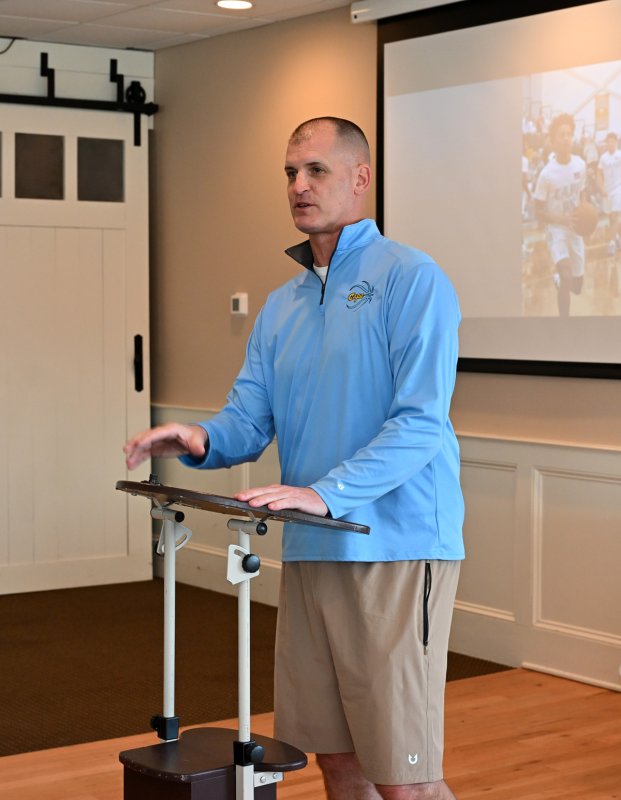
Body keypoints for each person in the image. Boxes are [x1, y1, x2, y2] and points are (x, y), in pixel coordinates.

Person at [124, 117, 464, 800]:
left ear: (359, 178)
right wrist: (202, 439)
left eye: (315, 170)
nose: (298, 186)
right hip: (313, 550)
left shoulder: (410, 279)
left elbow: (420, 422)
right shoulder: (280, 306)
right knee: (334, 760)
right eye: (289, 173)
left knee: (404, 779)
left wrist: (324, 492)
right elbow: (249, 419)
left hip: (392, 547)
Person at [533, 113, 587, 317]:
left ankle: (559, 281)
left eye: (569, 134)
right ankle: (564, 325)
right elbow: (538, 210)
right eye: (562, 134)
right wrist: (560, 220)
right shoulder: (546, 174)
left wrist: (584, 215)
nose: (566, 138)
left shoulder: (580, 165)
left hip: (575, 229)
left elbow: (582, 193)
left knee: (577, 286)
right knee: (566, 275)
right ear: (553, 141)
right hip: (556, 229)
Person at [597, 131, 621, 255]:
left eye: (613, 141)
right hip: (607, 190)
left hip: (618, 189)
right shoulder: (603, 157)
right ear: (606, 143)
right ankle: (617, 238)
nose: (611, 143)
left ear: (616, 142)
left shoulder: (620, 154)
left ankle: (611, 242)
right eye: (609, 141)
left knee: (615, 215)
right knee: (611, 217)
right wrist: (601, 188)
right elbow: (599, 173)